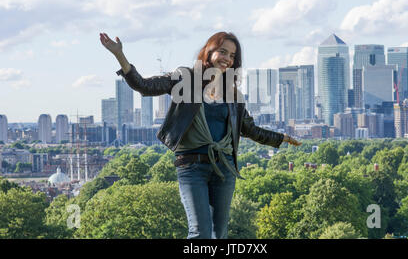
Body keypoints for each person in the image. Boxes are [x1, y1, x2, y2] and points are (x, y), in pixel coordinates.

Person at [99, 31, 302, 239]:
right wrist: (119, 55)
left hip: (225, 168)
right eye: (223, 52)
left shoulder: (231, 93)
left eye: (232, 56)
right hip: (191, 167)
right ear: (209, 51)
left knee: (219, 234)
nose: (227, 59)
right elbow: (144, 86)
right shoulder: (185, 78)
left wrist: (281, 138)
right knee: (200, 233)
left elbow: (249, 129)